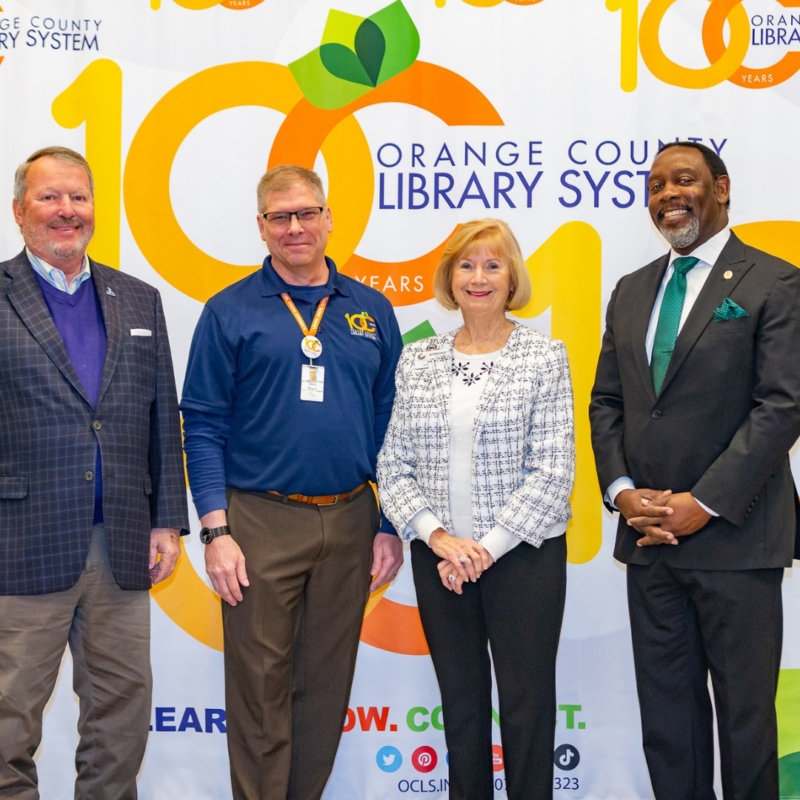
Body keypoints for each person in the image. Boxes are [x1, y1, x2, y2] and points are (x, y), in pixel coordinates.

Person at [181, 164, 404, 800]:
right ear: (261, 226)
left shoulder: (370, 309)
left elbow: (392, 421)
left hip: (352, 518)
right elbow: (202, 423)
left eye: (307, 213)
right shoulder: (229, 311)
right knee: (260, 687)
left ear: (328, 218)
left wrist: (388, 523)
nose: (295, 227)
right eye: (280, 217)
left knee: (325, 686)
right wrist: (216, 530)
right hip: (259, 520)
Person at [589, 141, 800, 799]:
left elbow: (782, 406)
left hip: (737, 540)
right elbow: (608, 403)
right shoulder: (631, 290)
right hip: (649, 542)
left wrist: (702, 503)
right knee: (668, 727)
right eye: (655, 185)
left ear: (721, 189)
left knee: (745, 724)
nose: (667, 195)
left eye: (683, 180)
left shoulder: (775, 281)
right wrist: (623, 493)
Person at [0, 146, 189, 799]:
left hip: (122, 544)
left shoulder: (138, 299)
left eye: (77, 197)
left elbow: (162, 413)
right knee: (7, 722)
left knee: (121, 718)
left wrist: (167, 520)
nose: (66, 210)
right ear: (19, 210)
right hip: (21, 543)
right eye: (49, 197)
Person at [377, 218, 575, 800]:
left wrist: (482, 551)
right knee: (461, 707)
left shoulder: (545, 356)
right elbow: (393, 465)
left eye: (493, 264)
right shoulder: (418, 359)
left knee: (526, 707)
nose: (478, 277)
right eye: (466, 265)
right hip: (439, 560)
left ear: (512, 277)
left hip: (522, 558)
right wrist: (439, 538)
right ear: (449, 278)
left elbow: (553, 471)